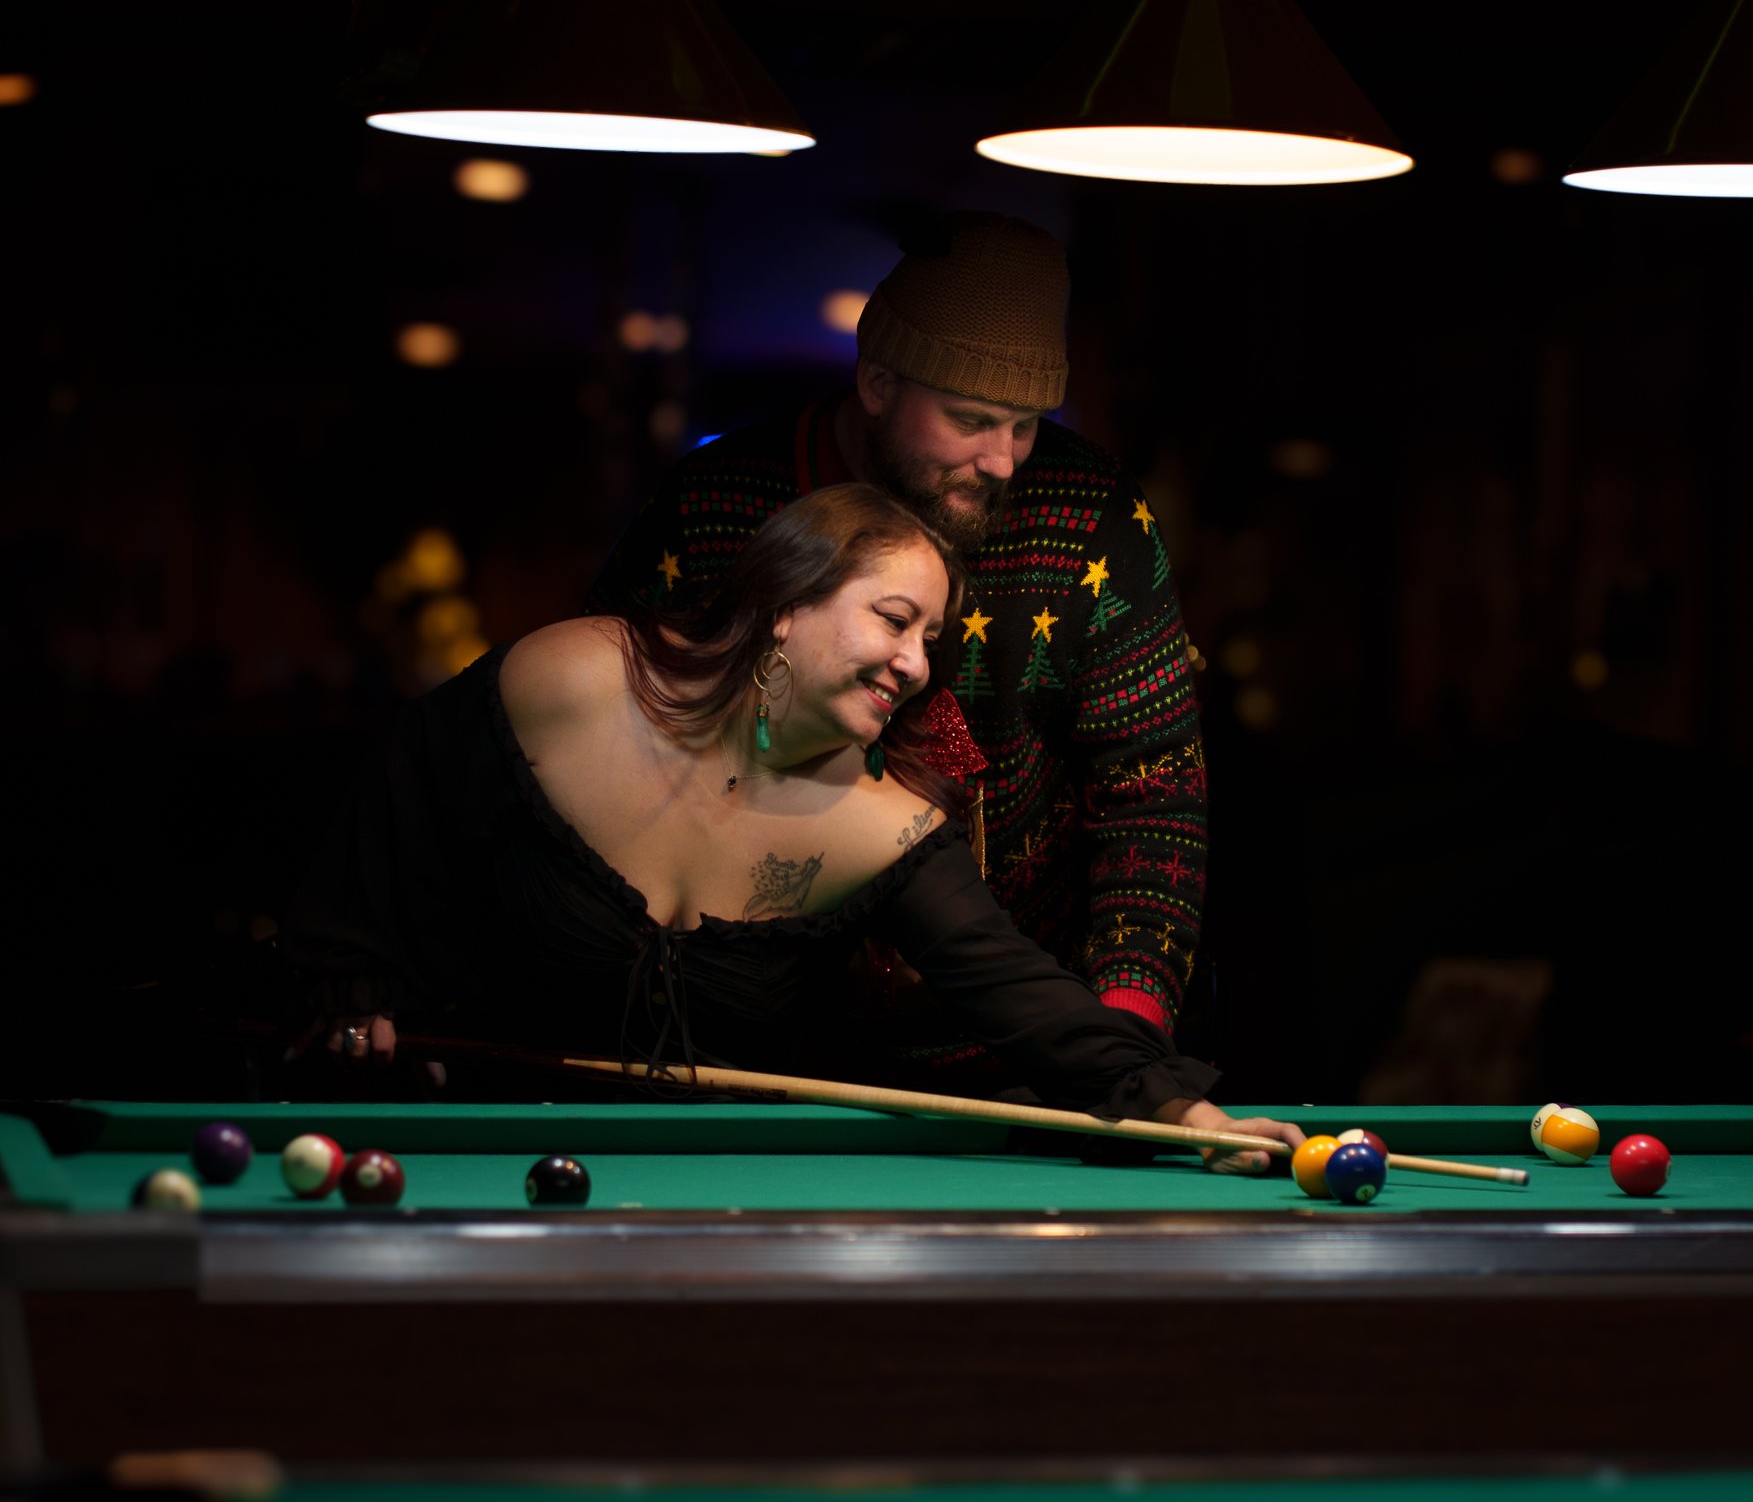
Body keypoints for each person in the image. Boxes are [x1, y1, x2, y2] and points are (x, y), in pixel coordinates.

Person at [280, 485, 1301, 1171]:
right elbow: (396, 814)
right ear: (785, 604)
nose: (916, 663)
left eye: (931, 639)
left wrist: (1180, 1110)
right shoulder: (577, 678)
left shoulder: (885, 829)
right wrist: (357, 984)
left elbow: (1022, 992)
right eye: (894, 619)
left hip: (727, 1201)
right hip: (479, 1159)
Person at [586, 212, 1208, 1093]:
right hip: (747, 1047)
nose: (1003, 460)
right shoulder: (716, 503)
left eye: (1026, 424)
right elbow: (608, 757)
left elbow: (1154, 791)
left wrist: (1124, 1041)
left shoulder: (1092, 513)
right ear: (877, 382)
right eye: (971, 419)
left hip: (1031, 1051)